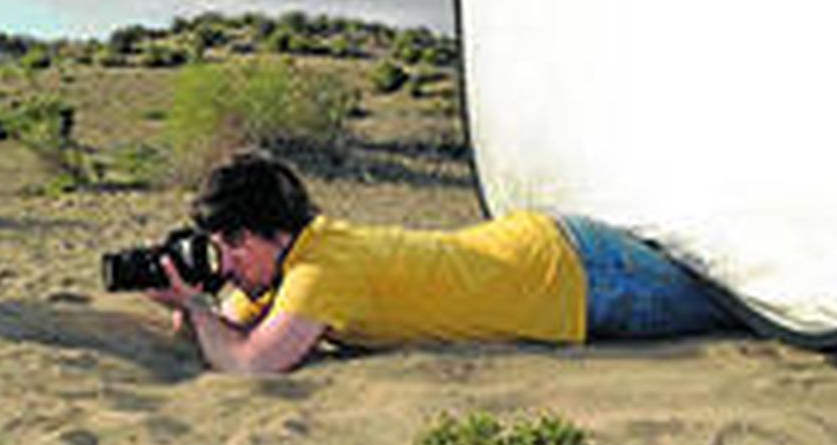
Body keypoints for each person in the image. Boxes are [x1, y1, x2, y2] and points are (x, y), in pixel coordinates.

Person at [141, 155, 738, 374]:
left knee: (747, 301)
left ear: (276, 231)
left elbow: (251, 362)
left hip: (581, 274)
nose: (227, 259)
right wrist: (189, 300)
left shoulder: (320, 270)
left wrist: (198, 308)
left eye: (234, 242)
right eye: (217, 244)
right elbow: (226, 338)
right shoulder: (276, 274)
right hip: (552, 263)